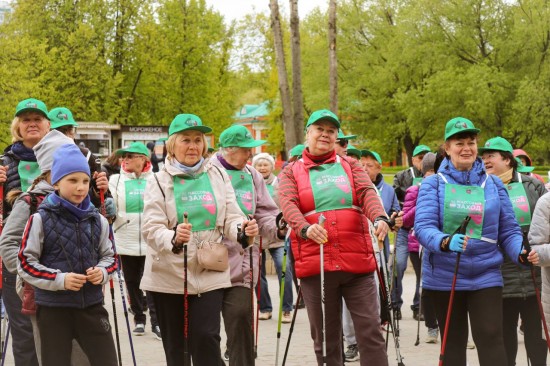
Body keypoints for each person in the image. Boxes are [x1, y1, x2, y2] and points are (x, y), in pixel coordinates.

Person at [140, 113, 258, 366]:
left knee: (206, 337)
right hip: (168, 275)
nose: (193, 146)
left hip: (209, 268)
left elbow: (231, 215)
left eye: (198, 140)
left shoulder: (216, 174)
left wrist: (242, 229)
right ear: (172, 144)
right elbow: (150, 227)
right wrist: (173, 237)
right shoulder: (158, 181)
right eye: (186, 140)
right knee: (177, 348)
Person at [279, 109, 390, 366]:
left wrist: (380, 218)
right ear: (308, 133)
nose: (325, 135)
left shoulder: (350, 165)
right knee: (326, 340)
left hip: (357, 264)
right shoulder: (290, 171)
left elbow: (366, 193)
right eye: (320, 129)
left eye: (331, 131)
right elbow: (288, 204)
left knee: (371, 333)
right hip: (315, 265)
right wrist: (305, 228)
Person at [414, 117, 527, 366]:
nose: (467, 148)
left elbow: (508, 229)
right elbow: (422, 227)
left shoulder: (493, 183)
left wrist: (519, 251)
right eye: (459, 143)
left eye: (471, 142)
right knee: (453, 343)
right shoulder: (433, 183)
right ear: (447, 148)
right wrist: (444, 241)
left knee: (491, 337)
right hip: (446, 275)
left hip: (485, 273)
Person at [17, 143, 118, 366]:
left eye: (84, 181)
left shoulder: (97, 219)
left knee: (108, 361)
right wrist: (59, 279)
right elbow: (25, 262)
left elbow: (111, 258)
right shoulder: (40, 218)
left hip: (91, 306)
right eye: (72, 180)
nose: (80, 188)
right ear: (56, 182)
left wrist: (102, 272)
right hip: (54, 310)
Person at [212, 125, 282, 365]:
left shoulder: (252, 175)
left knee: (241, 318)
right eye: (245, 151)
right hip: (208, 263)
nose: (250, 156)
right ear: (228, 150)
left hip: (243, 265)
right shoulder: (207, 171)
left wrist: (278, 227)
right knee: (206, 333)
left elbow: (265, 212)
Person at [479, 136, 547, 365]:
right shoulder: (480, 189)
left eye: (491, 156)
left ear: (507, 160)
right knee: (504, 337)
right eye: (484, 156)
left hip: (533, 274)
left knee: (536, 337)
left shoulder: (532, 185)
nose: (485, 160)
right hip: (499, 277)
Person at [0, 98, 51, 366]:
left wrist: (103, 192)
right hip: (17, 255)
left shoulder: (63, 158)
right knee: (22, 331)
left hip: (56, 255)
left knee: (57, 331)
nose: (32, 123)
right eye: (26, 119)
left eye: (37, 119)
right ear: (17, 127)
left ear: (47, 125)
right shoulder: (4, 162)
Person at [109, 142, 160, 339]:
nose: (125, 159)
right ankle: (139, 318)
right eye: (124, 156)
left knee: (152, 283)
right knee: (132, 281)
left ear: (143, 159)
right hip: (126, 238)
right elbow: (108, 206)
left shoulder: (155, 179)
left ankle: (157, 323)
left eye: (131, 156)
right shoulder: (115, 179)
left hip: (150, 239)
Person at [251, 152, 293, 323]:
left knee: (284, 269)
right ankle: (265, 308)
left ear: (271, 166)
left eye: (265, 164)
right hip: (257, 236)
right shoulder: (250, 183)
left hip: (277, 235)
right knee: (257, 274)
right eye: (259, 165)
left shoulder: (279, 184)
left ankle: (286, 309)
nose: (262, 168)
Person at [402, 152, 439, 343]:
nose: (433, 174)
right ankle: (431, 326)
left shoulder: (447, 188)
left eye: (437, 170)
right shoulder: (414, 191)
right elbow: (406, 220)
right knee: (426, 284)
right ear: (422, 172)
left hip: (443, 245)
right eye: (430, 171)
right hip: (418, 246)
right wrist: (425, 198)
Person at [391, 144, 431, 319]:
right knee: (398, 265)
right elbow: (395, 193)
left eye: (426, 158)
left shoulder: (435, 176)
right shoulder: (402, 176)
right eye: (419, 158)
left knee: (422, 270)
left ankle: (418, 305)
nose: (422, 161)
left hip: (421, 230)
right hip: (404, 229)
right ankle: (395, 303)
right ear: (413, 159)